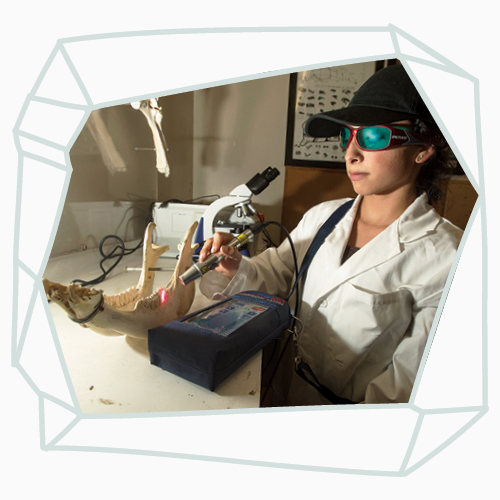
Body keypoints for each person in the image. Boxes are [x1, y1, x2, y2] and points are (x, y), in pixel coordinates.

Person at [198, 64, 464, 406]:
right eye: (347, 136)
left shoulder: (449, 259)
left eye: (372, 136)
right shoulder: (324, 216)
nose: (351, 153)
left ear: (424, 148)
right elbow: (277, 273)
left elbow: (405, 385)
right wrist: (235, 267)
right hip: (276, 393)